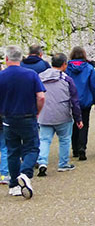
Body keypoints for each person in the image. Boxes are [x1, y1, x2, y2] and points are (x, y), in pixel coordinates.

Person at [0, 45, 45, 198]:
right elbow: (41, 96)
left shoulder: (1, 76)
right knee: (32, 148)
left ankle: (14, 185)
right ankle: (25, 173)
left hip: (8, 118)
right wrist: (37, 112)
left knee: (12, 151)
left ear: (7, 58)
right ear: (21, 58)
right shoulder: (31, 74)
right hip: (28, 116)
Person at [37, 53, 83, 175]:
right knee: (64, 139)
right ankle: (63, 163)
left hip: (44, 114)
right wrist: (78, 118)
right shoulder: (67, 79)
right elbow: (74, 100)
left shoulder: (40, 77)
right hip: (62, 114)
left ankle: (42, 162)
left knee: (44, 140)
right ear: (64, 64)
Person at [67, 46, 95, 161]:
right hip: (85, 100)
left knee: (73, 123)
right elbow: (94, 86)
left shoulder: (67, 68)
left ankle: (75, 148)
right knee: (84, 124)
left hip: (71, 100)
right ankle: (82, 147)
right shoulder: (89, 68)